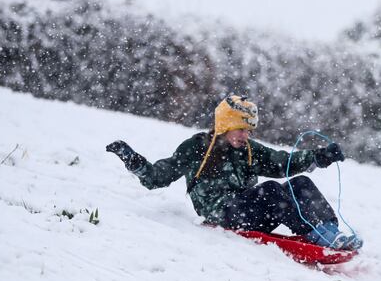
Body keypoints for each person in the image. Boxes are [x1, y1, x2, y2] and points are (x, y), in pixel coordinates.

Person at [105, 95, 363, 251]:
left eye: (249, 130)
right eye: (240, 129)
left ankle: (330, 231)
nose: (245, 135)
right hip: (223, 213)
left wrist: (319, 156)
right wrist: (133, 160)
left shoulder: (249, 150)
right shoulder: (197, 148)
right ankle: (318, 236)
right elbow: (156, 177)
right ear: (226, 124)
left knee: (301, 182)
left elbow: (281, 162)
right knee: (272, 190)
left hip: (250, 211)